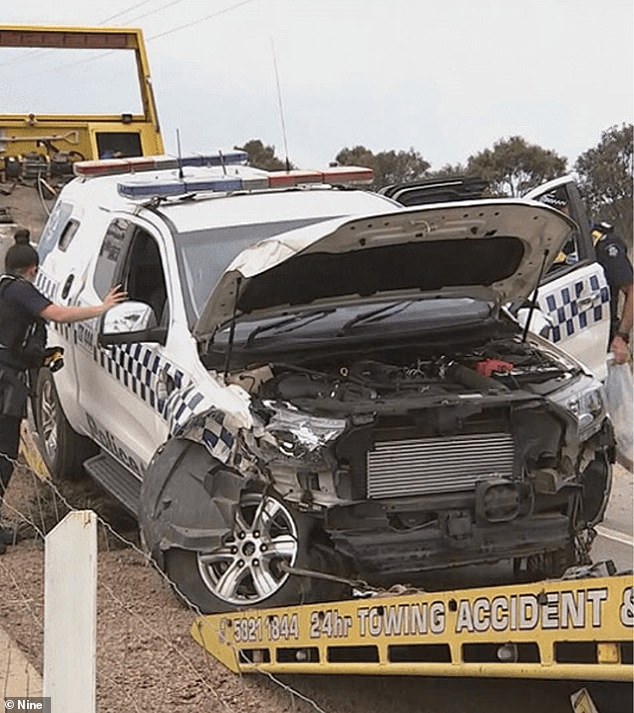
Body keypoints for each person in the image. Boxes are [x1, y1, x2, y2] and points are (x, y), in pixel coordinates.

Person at [0, 228, 126, 553]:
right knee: (4, 453)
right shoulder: (21, 292)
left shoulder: (3, 290)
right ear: (32, 270)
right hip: (6, 385)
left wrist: (41, 357)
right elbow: (59, 314)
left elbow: (13, 340)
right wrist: (102, 308)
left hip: (7, 373)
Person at [591, 221, 633, 365]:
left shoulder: (601, 242)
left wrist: (622, 337)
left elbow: (631, 290)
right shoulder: (538, 246)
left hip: (604, 344)